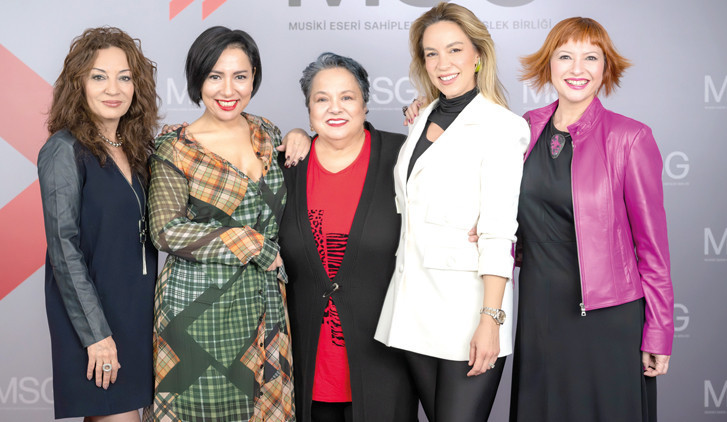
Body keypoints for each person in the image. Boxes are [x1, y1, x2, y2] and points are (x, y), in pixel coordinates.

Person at [510, 17, 674, 421]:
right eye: (565, 56)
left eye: (591, 58)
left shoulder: (630, 138)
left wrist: (659, 331)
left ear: (605, 68)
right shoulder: (525, 128)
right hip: (538, 308)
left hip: (606, 315)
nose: (577, 69)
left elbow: (652, 250)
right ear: (549, 64)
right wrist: (426, 112)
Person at [373, 3, 530, 420]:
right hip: (414, 305)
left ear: (478, 54)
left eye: (455, 50)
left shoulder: (502, 126)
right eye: (432, 53)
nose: (443, 63)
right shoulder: (421, 115)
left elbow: (498, 231)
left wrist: (491, 320)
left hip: (467, 310)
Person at [147, 27, 294, 421]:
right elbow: (165, 230)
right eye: (215, 76)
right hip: (198, 311)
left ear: (254, 77)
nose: (228, 89)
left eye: (239, 76)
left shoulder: (268, 133)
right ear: (198, 79)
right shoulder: (177, 148)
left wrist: (302, 137)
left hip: (265, 303)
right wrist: (252, 244)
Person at [278, 52, 418, 422]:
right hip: (309, 367)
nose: (335, 108)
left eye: (347, 97)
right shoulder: (287, 167)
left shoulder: (403, 156)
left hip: (386, 364)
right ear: (309, 109)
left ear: (365, 104)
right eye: (321, 99)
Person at [38, 27, 159, 421]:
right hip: (94, 319)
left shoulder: (138, 149)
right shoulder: (63, 150)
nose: (113, 89)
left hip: (138, 312)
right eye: (99, 76)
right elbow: (63, 247)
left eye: (124, 77)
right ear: (79, 84)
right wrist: (96, 335)